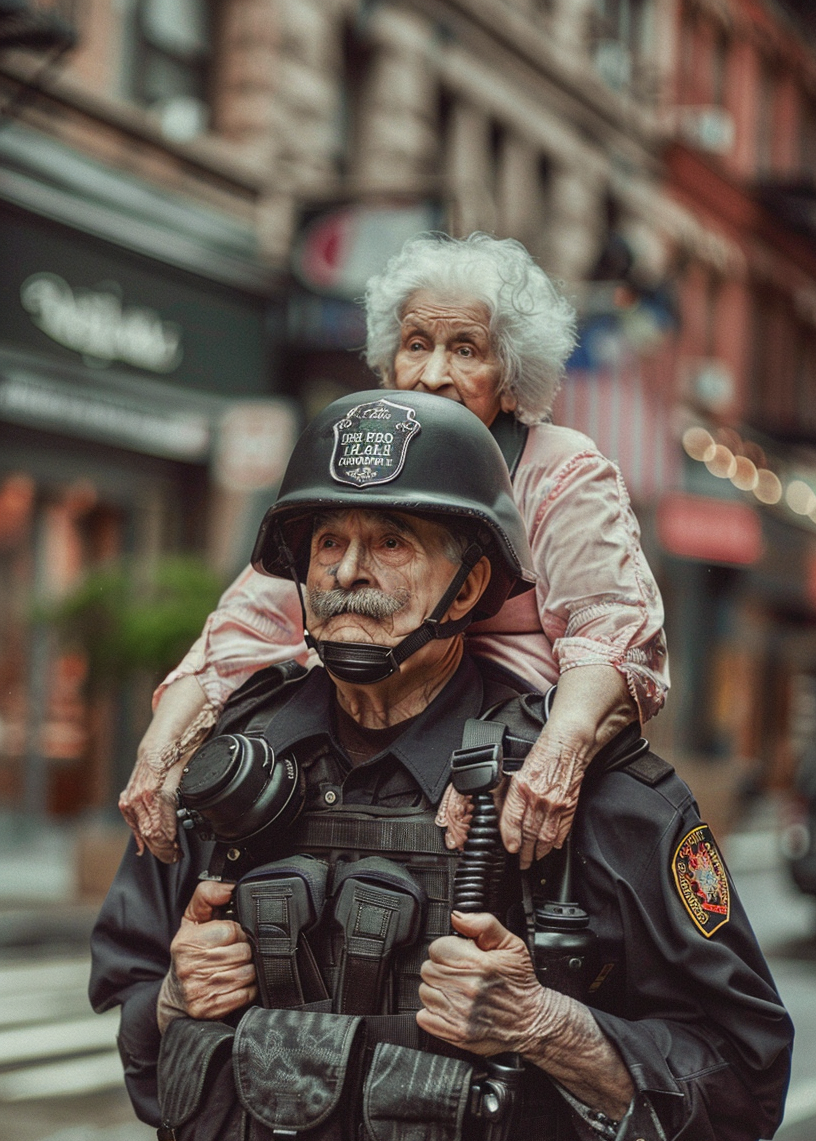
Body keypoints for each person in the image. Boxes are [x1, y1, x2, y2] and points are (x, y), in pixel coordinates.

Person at [91, 392, 791, 1141]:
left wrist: (547, 1024)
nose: (347, 568)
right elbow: (136, 1016)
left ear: (471, 578)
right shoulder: (222, 775)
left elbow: (744, 1078)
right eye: (327, 538)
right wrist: (177, 1000)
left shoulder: (588, 793)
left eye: (391, 540)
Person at [119, 233, 668, 869]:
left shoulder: (563, 470)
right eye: (417, 345)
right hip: (361, 734)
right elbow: (252, 624)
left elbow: (613, 631)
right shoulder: (360, 455)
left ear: (512, 374)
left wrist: (546, 754)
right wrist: (161, 749)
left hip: (502, 744)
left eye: (465, 350)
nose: (433, 375)